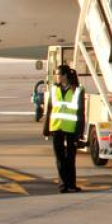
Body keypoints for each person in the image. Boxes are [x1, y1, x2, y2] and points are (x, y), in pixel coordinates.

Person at [42, 64, 85, 193]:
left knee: (70, 158)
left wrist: (79, 132)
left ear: (65, 76)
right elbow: (49, 110)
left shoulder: (77, 90)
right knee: (60, 158)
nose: (56, 77)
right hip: (56, 127)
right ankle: (63, 185)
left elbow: (80, 112)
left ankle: (71, 184)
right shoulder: (54, 89)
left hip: (71, 128)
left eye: (58, 74)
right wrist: (46, 129)